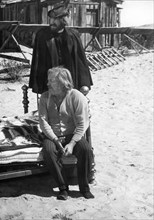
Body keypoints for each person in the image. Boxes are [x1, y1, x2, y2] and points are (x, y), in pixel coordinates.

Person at [39, 67, 94, 200]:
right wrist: (55, 140)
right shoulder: (45, 97)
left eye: (52, 81)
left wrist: (72, 143)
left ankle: (84, 187)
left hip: (72, 134)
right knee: (48, 150)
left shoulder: (76, 96)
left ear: (63, 83)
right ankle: (63, 188)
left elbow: (82, 123)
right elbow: (43, 121)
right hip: (53, 135)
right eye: (49, 80)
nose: (48, 84)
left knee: (85, 149)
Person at [29, 1, 93, 94]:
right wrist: (38, 85)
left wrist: (84, 83)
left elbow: (80, 61)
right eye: (50, 19)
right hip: (50, 83)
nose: (51, 22)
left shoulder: (73, 36)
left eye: (55, 19)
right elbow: (38, 62)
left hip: (70, 82)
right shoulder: (42, 36)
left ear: (63, 20)